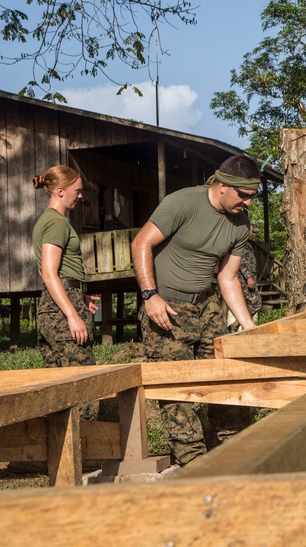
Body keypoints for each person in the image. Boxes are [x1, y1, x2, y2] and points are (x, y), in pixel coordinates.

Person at [131, 155, 261, 466]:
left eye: (252, 197)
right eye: (243, 195)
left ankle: (235, 450)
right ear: (221, 186)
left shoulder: (241, 225)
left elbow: (227, 277)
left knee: (225, 377)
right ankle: (192, 463)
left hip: (207, 307)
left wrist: (247, 324)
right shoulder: (183, 203)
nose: (247, 203)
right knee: (177, 387)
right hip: (167, 308)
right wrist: (150, 296)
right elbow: (140, 244)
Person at [32, 166, 101, 420]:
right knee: (82, 385)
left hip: (55, 304)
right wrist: (72, 314)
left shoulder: (48, 221)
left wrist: (78, 294)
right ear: (60, 191)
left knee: (59, 389)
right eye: (77, 191)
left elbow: (46, 273)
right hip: (62, 310)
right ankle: (85, 453)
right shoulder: (56, 222)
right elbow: (49, 273)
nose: (80, 196)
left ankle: (59, 457)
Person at [228, 222, 262, 330]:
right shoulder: (241, 243)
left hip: (250, 278)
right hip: (244, 279)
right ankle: (235, 325)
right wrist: (248, 277)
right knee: (255, 303)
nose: (254, 234)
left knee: (252, 303)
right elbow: (241, 262)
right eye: (253, 232)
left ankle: (242, 326)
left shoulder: (248, 244)